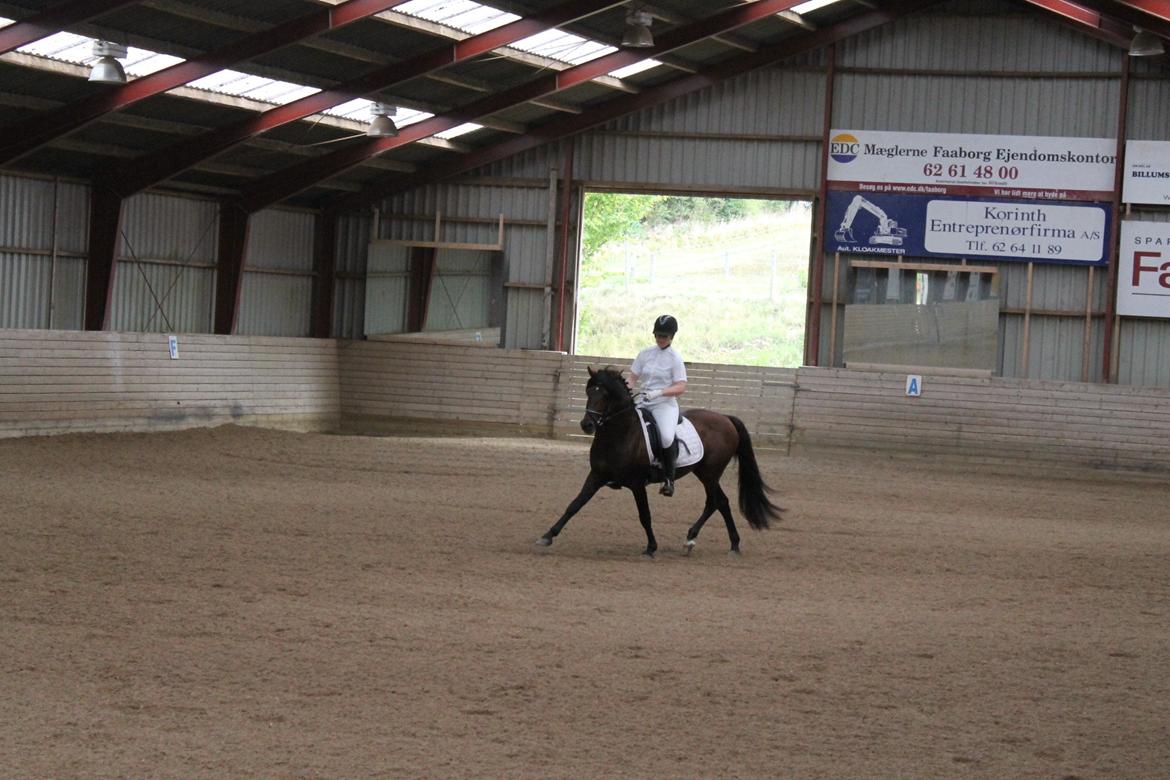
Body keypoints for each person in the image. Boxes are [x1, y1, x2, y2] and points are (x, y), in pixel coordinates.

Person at [627, 314, 688, 496]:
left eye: (665, 336)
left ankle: (669, 479)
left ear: (672, 337)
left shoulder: (675, 358)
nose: (661, 339)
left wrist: (660, 392)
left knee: (667, 437)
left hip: (664, 404)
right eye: (658, 335)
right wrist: (625, 390)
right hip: (643, 401)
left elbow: (681, 386)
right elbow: (632, 378)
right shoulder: (645, 353)